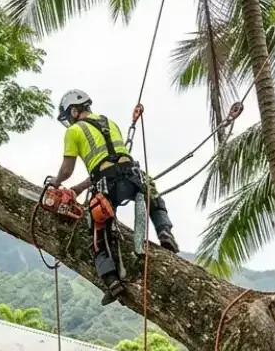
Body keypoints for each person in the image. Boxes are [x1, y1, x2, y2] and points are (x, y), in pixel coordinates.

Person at [49, 89, 180, 306]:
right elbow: (108, 163)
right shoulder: (109, 122)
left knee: (99, 234)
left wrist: (55, 182)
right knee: (154, 200)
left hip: (106, 185)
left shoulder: (73, 131)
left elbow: (67, 170)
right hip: (132, 175)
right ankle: (165, 232)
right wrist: (78, 189)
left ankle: (112, 281)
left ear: (73, 111)